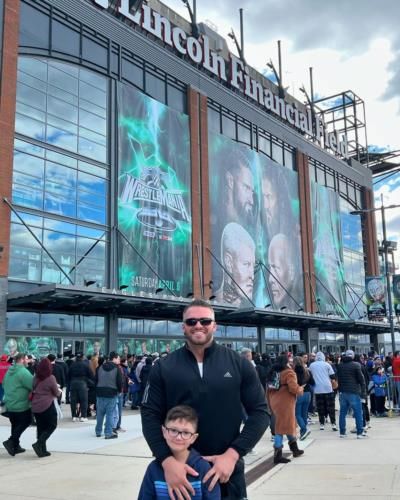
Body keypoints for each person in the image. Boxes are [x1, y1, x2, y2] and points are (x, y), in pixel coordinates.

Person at [141, 299, 269, 500]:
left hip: (227, 471)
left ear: (214, 326)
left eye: (205, 321)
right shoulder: (164, 367)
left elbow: (261, 412)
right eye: (191, 321)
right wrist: (166, 461)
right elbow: (149, 415)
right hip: (178, 473)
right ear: (183, 327)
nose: (198, 325)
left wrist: (233, 455)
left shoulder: (239, 364)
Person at [138, 405, 221, 499]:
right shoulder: (153, 468)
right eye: (173, 430)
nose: (178, 437)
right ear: (164, 432)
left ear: (193, 438)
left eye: (186, 433)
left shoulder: (203, 468)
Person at [267, 354, 305, 464]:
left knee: (287, 424)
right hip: (286, 403)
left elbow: (268, 390)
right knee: (280, 427)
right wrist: (300, 389)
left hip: (274, 401)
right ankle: (278, 454)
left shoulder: (272, 373)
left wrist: (269, 403)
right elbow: (293, 388)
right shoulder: (289, 373)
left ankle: (295, 449)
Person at [215, 222, 256, 306]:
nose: (252, 276)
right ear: (229, 262)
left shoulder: (249, 307)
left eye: (253, 266)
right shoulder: (212, 306)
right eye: (246, 264)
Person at [2, 353, 33, 456]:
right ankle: (11, 441)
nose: (28, 361)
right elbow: (32, 385)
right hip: (21, 404)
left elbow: (4, 383)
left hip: (10, 404)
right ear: (23, 360)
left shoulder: (9, 371)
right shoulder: (23, 372)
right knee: (27, 421)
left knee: (15, 425)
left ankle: (15, 446)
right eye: (27, 359)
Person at [31, 358, 62, 457]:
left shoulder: (35, 378)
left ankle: (42, 450)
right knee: (52, 425)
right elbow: (56, 392)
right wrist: (59, 391)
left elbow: (33, 388)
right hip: (47, 405)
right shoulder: (51, 378)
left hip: (35, 406)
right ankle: (39, 443)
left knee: (41, 427)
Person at [336, 350, 367, 438]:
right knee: (358, 413)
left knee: (342, 413)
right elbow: (362, 380)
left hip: (343, 392)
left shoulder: (340, 365)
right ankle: (359, 433)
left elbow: (339, 379)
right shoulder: (356, 365)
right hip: (354, 391)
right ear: (353, 356)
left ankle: (342, 433)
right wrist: (363, 394)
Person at [95, 351, 122, 439]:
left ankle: (98, 431)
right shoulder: (117, 368)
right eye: (118, 358)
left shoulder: (100, 367)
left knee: (100, 413)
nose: (119, 360)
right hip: (111, 393)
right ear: (114, 358)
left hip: (99, 392)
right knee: (110, 414)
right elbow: (119, 382)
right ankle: (108, 433)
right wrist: (119, 391)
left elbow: (95, 380)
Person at [308, 352, 337, 431]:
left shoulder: (311, 365)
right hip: (328, 388)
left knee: (320, 407)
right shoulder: (327, 365)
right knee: (330, 407)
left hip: (317, 389)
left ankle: (322, 424)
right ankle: (333, 423)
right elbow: (333, 376)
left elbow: (309, 376)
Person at [68, 353, 94, 422]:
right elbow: (91, 375)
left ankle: (74, 416)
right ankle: (83, 416)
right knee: (84, 400)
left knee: (73, 401)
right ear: (82, 357)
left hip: (73, 384)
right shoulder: (85, 365)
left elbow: (68, 375)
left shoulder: (72, 365)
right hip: (82, 384)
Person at [293, 355, 314, 440]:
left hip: (299, 393)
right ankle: (303, 433)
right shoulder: (307, 371)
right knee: (304, 414)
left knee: (297, 414)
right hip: (308, 393)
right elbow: (313, 382)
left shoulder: (293, 372)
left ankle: (304, 429)